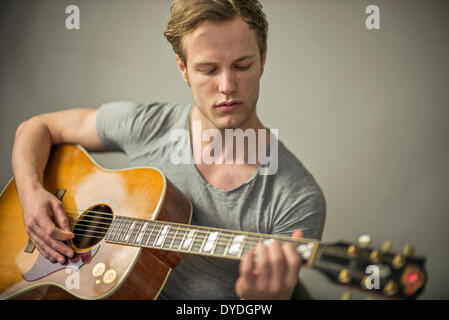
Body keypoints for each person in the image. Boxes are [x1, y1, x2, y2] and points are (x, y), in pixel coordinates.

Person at [11, 0, 325, 300]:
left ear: (263, 58)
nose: (228, 86)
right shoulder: (149, 125)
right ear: (183, 68)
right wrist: (31, 194)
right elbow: (37, 128)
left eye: (242, 66)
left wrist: (261, 301)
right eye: (208, 70)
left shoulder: (296, 199)